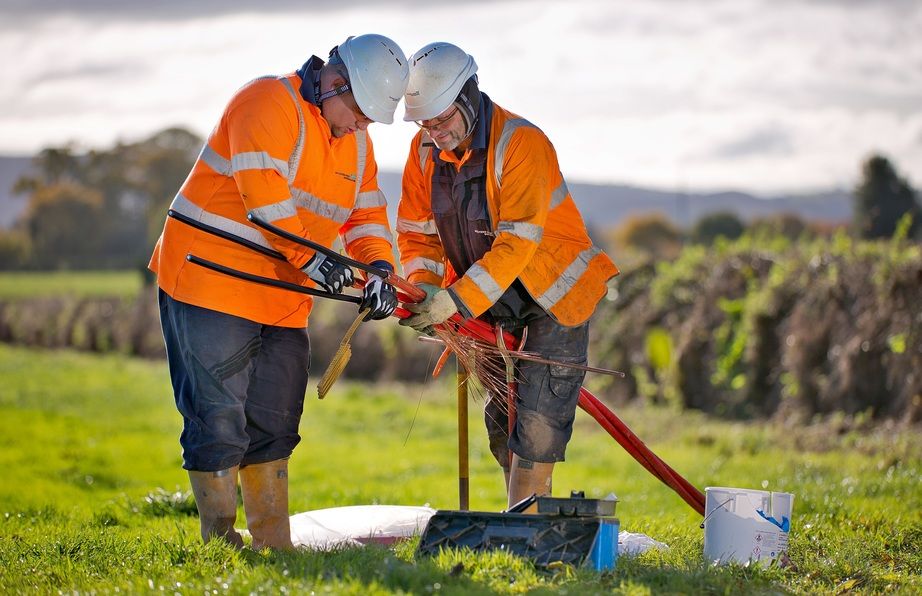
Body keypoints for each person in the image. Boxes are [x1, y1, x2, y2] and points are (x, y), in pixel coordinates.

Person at [149, 34, 408, 549]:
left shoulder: (355, 141)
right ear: (334, 82)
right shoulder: (266, 101)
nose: (363, 126)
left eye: (371, 120)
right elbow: (264, 196)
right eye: (359, 112)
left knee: (274, 422)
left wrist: (378, 269)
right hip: (209, 284)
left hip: (283, 296)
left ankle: (274, 547)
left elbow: (367, 212)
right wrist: (316, 260)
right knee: (218, 421)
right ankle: (219, 544)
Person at [396, 42, 619, 511]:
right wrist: (427, 288)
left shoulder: (521, 143)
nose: (434, 133)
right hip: (491, 304)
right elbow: (416, 234)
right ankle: (522, 526)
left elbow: (516, 243)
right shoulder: (423, 153)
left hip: (553, 301)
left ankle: (528, 536)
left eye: (441, 121)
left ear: (467, 96)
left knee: (536, 428)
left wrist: (455, 302)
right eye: (425, 124)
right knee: (503, 424)